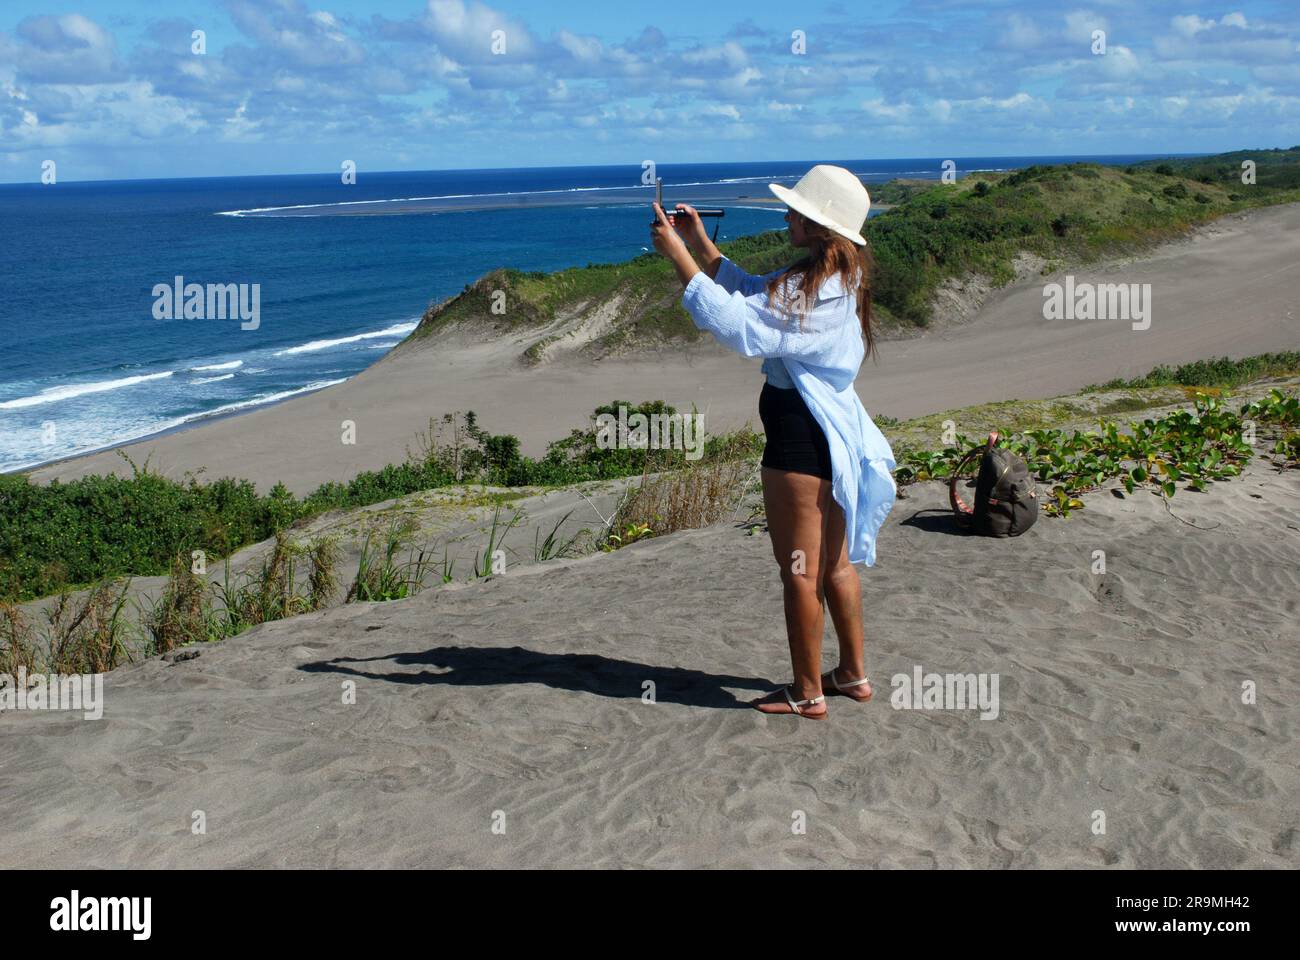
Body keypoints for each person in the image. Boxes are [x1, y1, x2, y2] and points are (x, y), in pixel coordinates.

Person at [651, 164, 896, 720]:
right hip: (830, 435)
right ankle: (852, 674)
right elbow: (755, 296)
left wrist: (677, 257)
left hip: (798, 441)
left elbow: (742, 325)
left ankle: (807, 692)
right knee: (833, 565)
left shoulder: (814, 290)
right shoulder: (837, 276)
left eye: (797, 212)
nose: (787, 216)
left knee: (800, 570)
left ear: (818, 225)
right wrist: (702, 245)